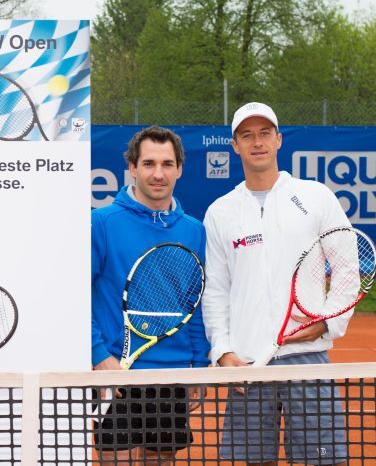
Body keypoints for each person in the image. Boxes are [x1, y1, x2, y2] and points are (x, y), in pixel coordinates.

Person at [201, 102, 350, 465]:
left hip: (308, 360)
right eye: (247, 135)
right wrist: (222, 350)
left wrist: (326, 322)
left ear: (279, 140)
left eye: (265, 133)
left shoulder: (316, 197)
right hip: (248, 364)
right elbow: (216, 288)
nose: (257, 142)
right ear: (235, 146)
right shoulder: (221, 211)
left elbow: (347, 267)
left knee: (322, 462)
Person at [91, 125, 210, 465]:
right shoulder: (102, 222)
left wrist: (199, 366)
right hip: (115, 378)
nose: (158, 174)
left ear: (179, 169)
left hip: (172, 378)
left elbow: (195, 302)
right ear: (132, 167)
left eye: (167, 164)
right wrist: (99, 357)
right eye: (148, 164)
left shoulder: (193, 229)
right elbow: (77, 299)